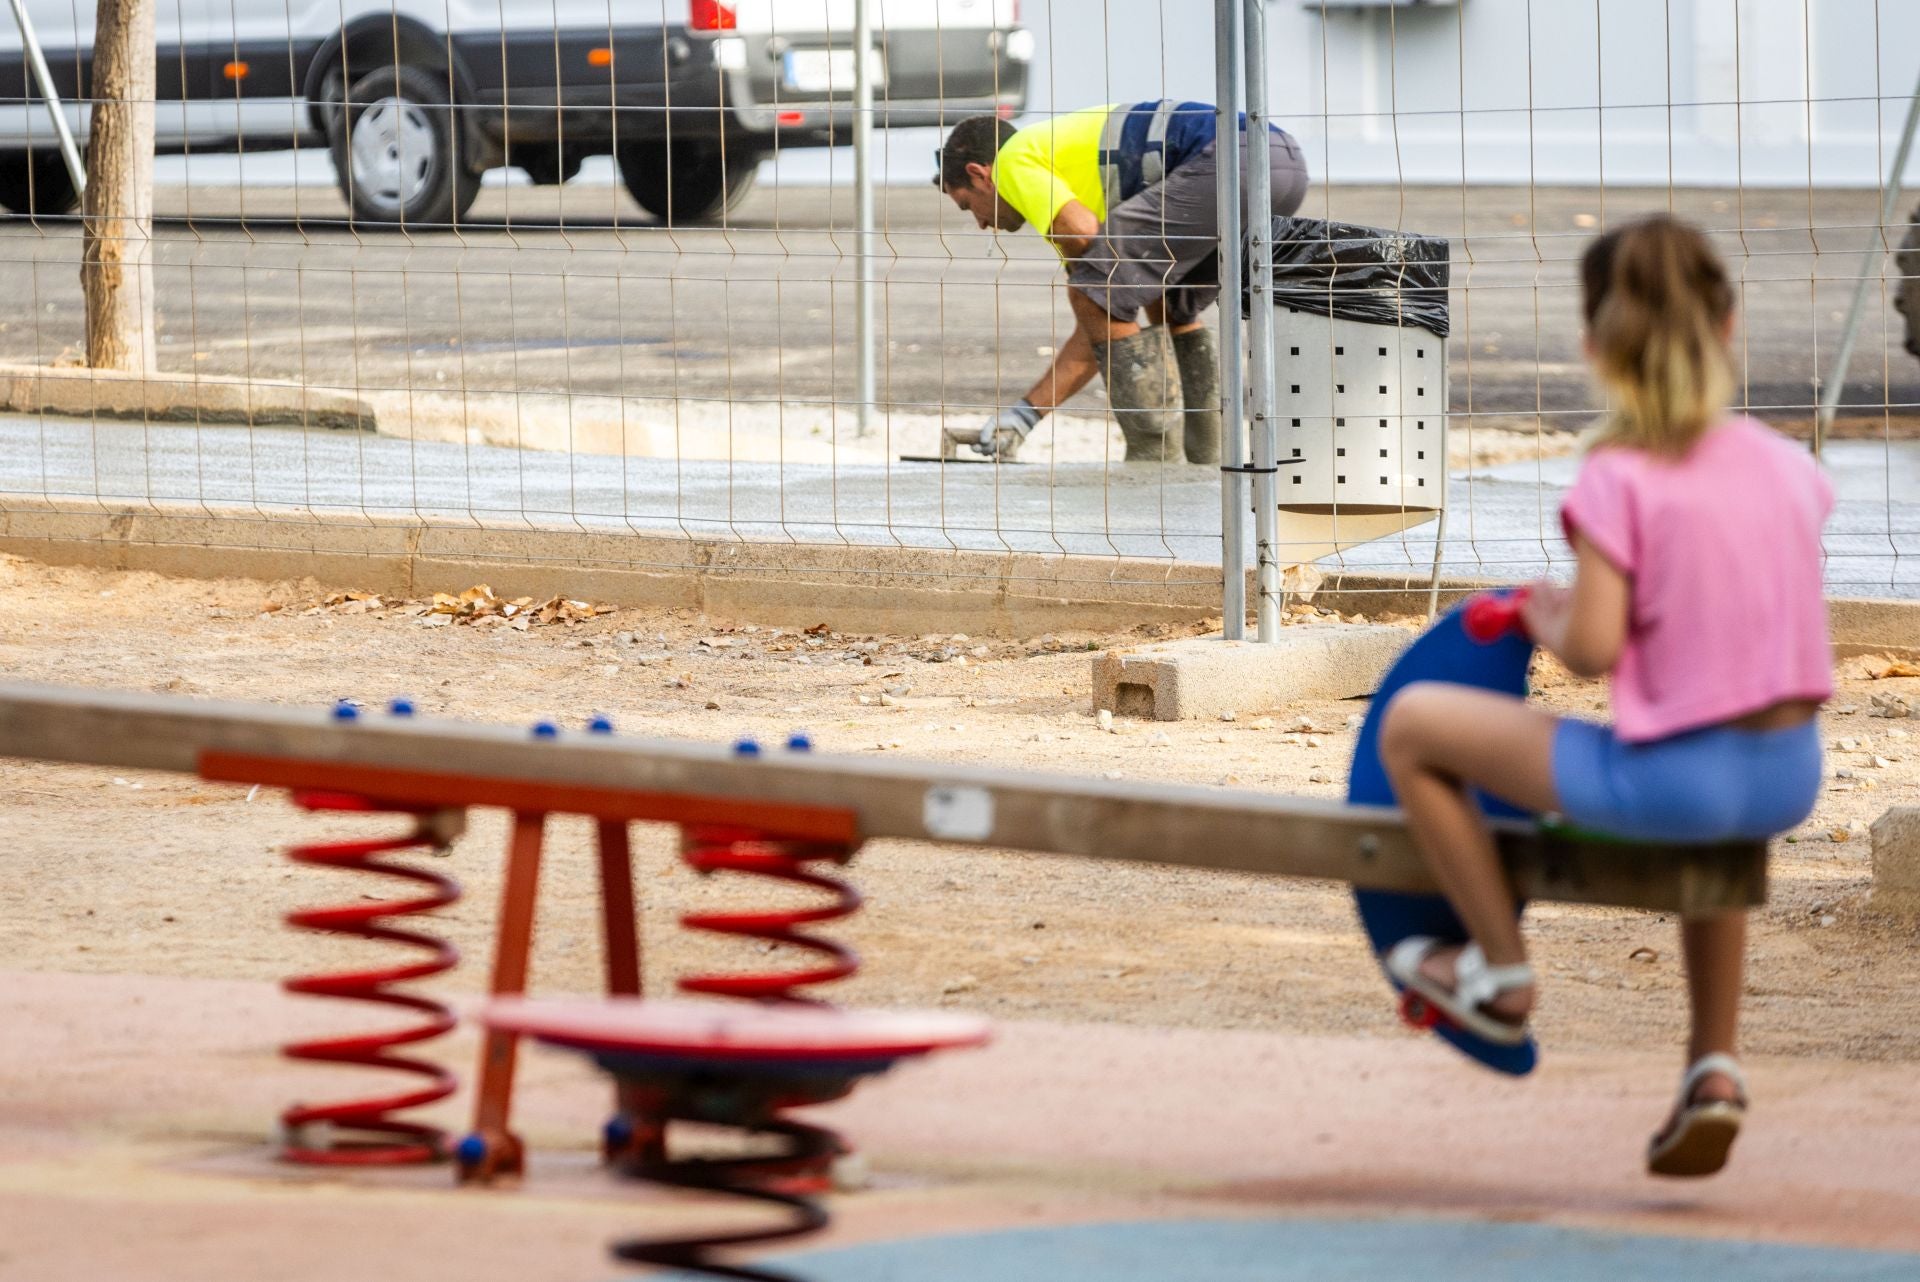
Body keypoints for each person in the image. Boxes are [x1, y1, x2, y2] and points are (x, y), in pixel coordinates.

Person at [1376, 215, 1832, 1179]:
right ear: (1731, 321)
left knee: (1414, 728)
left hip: (1677, 784)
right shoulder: (1790, 467)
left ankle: (1498, 972)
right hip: (1788, 775)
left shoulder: (1617, 476)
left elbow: (1591, 650)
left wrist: (1548, 616)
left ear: (1593, 345)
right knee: (1717, 826)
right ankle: (1714, 1063)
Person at [933, 102, 1308, 463]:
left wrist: (1024, 413)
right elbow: (1102, 326)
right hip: (1282, 162)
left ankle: (1155, 459)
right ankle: (1208, 458)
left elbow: (1095, 296)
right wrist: (1025, 415)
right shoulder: (1061, 171)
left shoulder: (1012, 161)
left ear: (980, 173)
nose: (981, 223)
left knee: (1094, 292)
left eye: (968, 206)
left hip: (1231, 161)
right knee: (1170, 305)